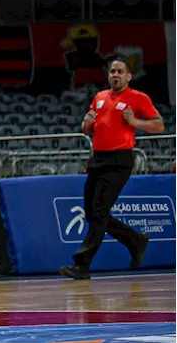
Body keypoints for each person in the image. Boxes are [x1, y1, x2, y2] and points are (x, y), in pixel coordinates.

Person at [61, 56, 164, 279]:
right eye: (112, 72)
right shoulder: (99, 97)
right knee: (91, 212)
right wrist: (86, 124)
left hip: (119, 161)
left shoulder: (138, 98)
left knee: (98, 211)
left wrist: (137, 123)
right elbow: (87, 128)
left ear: (128, 76)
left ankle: (82, 264)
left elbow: (159, 124)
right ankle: (135, 240)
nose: (115, 75)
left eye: (120, 72)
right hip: (97, 159)